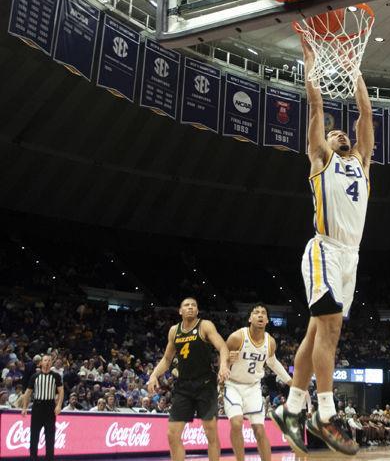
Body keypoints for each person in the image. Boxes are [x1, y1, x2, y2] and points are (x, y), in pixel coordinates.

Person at [271, 34, 374, 456]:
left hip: (350, 260)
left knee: (317, 336)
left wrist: (355, 71)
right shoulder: (321, 161)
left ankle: (293, 406)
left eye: (342, 134)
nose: (339, 136)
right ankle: (326, 414)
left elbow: (365, 114)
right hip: (325, 250)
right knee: (329, 331)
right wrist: (310, 60)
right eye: (332, 135)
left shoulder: (362, 164)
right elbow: (316, 106)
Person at [146, 297, 230, 461]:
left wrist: (223, 366)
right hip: (183, 387)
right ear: (180, 311)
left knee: (210, 432)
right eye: (186, 305)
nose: (190, 307)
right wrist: (154, 374)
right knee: (172, 435)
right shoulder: (174, 330)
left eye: (194, 305)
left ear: (197, 311)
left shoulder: (205, 325)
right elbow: (166, 359)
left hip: (205, 385)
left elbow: (222, 347)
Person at [225, 303, 292, 461]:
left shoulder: (270, 342)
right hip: (233, 385)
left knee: (259, 430)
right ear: (250, 318)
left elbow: (273, 363)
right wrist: (228, 360)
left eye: (263, 313)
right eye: (256, 312)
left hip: (253, 388)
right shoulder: (237, 337)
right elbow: (221, 363)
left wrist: (290, 381)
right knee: (236, 423)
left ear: (267, 320)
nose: (260, 315)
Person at [21, 354, 64, 461]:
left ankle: (49, 458)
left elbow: (61, 391)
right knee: (34, 435)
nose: (48, 362)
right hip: (37, 407)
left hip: (50, 407)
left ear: (51, 363)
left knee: (50, 436)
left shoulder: (56, 376)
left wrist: (58, 405)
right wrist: (24, 407)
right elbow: (27, 393)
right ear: (41, 363)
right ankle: (33, 458)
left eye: (49, 360)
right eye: (45, 360)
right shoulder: (35, 376)